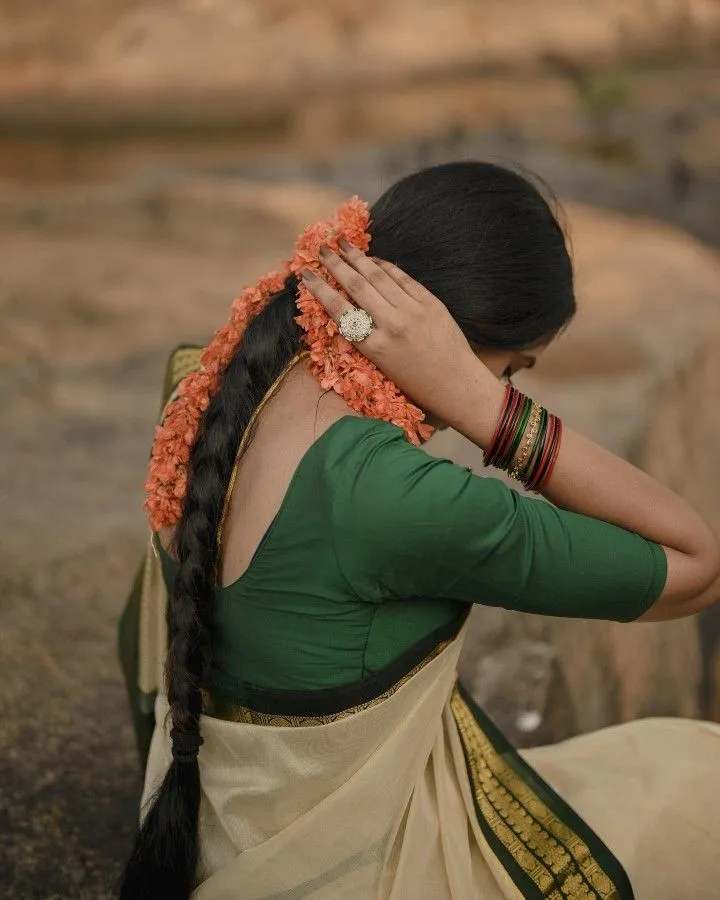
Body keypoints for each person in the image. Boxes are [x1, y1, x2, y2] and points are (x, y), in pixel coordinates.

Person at [117, 162, 720, 900]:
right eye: (513, 369)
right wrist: (481, 404)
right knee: (701, 784)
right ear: (446, 337)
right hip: (352, 869)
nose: (509, 386)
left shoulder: (208, 378)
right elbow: (695, 562)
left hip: (219, 826)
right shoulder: (398, 499)